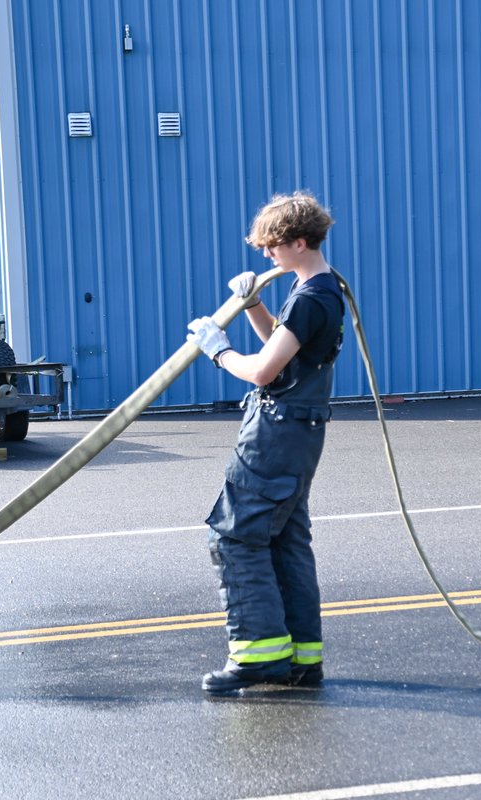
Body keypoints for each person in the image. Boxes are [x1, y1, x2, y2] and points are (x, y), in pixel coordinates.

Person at [186, 191, 345, 695]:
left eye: (273, 246)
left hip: (275, 436)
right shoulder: (322, 290)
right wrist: (253, 305)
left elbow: (263, 370)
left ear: (300, 242)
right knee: (285, 540)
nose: (266, 255)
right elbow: (283, 342)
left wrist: (218, 350)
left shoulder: (312, 297)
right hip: (299, 434)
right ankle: (301, 658)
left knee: (234, 537)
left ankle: (257, 657)